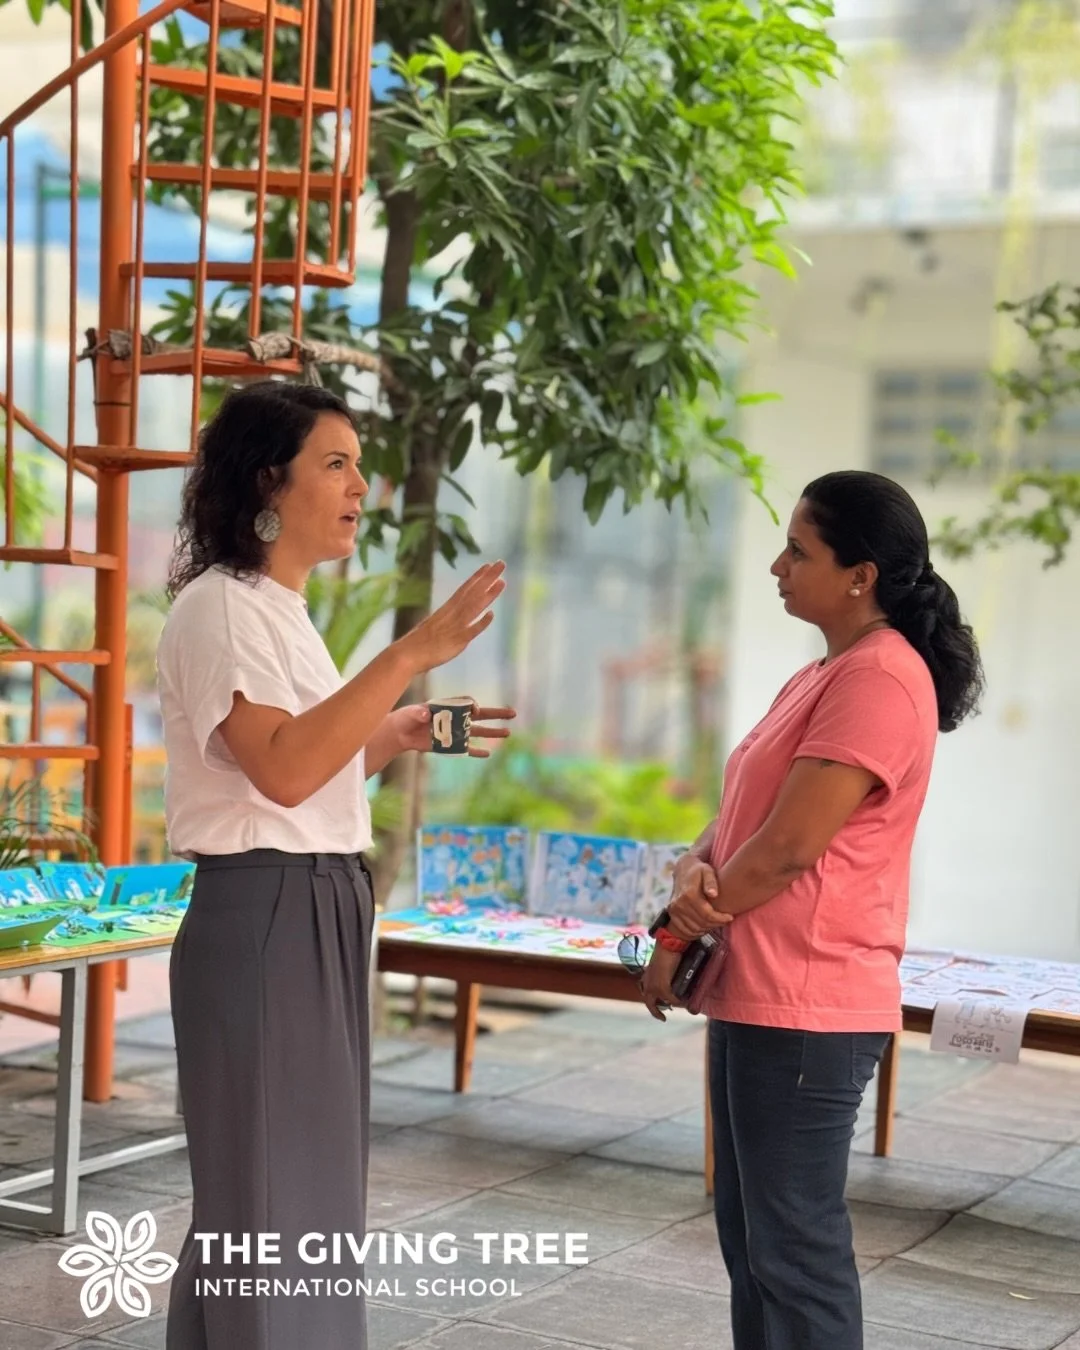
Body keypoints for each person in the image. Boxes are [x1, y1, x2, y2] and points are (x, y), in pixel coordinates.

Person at [156, 380, 514, 1350]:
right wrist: (411, 654)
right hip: (265, 912)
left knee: (286, 1207)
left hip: (311, 907)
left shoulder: (277, 611)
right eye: (337, 462)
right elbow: (281, 773)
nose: (365, 483)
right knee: (271, 1209)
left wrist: (401, 730)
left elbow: (315, 760)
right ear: (268, 482)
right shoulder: (221, 610)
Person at [643, 470, 984, 1350]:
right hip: (756, 991)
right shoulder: (827, 673)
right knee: (752, 1241)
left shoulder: (880, 680)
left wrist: (681, 928)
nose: (777, 566)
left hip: (809, 1005)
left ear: (860, 573)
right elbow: (745, 818)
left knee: (794, 1250)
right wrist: (691, 865)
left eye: (799, 550)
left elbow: (791, 849)